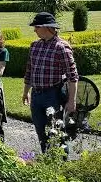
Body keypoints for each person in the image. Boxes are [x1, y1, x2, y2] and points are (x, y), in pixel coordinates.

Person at [22, 12, 79, 153]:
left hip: (53, 96)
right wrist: (26, 92)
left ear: (46, 27)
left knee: (57, 133)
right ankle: (47, 161)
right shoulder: (34, 46)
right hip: (36, 95)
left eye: (37, 26)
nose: (34, 30)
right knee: (41, 133)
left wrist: (71, 101)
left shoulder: (62, 48)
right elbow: (29, 71)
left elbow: (73, 77)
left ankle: (62, 166)